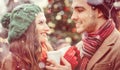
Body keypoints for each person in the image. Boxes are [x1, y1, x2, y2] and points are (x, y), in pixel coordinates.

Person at [46, 0, 120, 70]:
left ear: (99, 11)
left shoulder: (117, 46)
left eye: (80, 10)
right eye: (73, 10)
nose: (73, 17)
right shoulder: (79, 47)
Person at [1, 4, 53, 70]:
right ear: (27, 29)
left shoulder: (48, 53)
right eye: (41, 23)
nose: (47, 28)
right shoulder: (12, 61)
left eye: (45, 22)